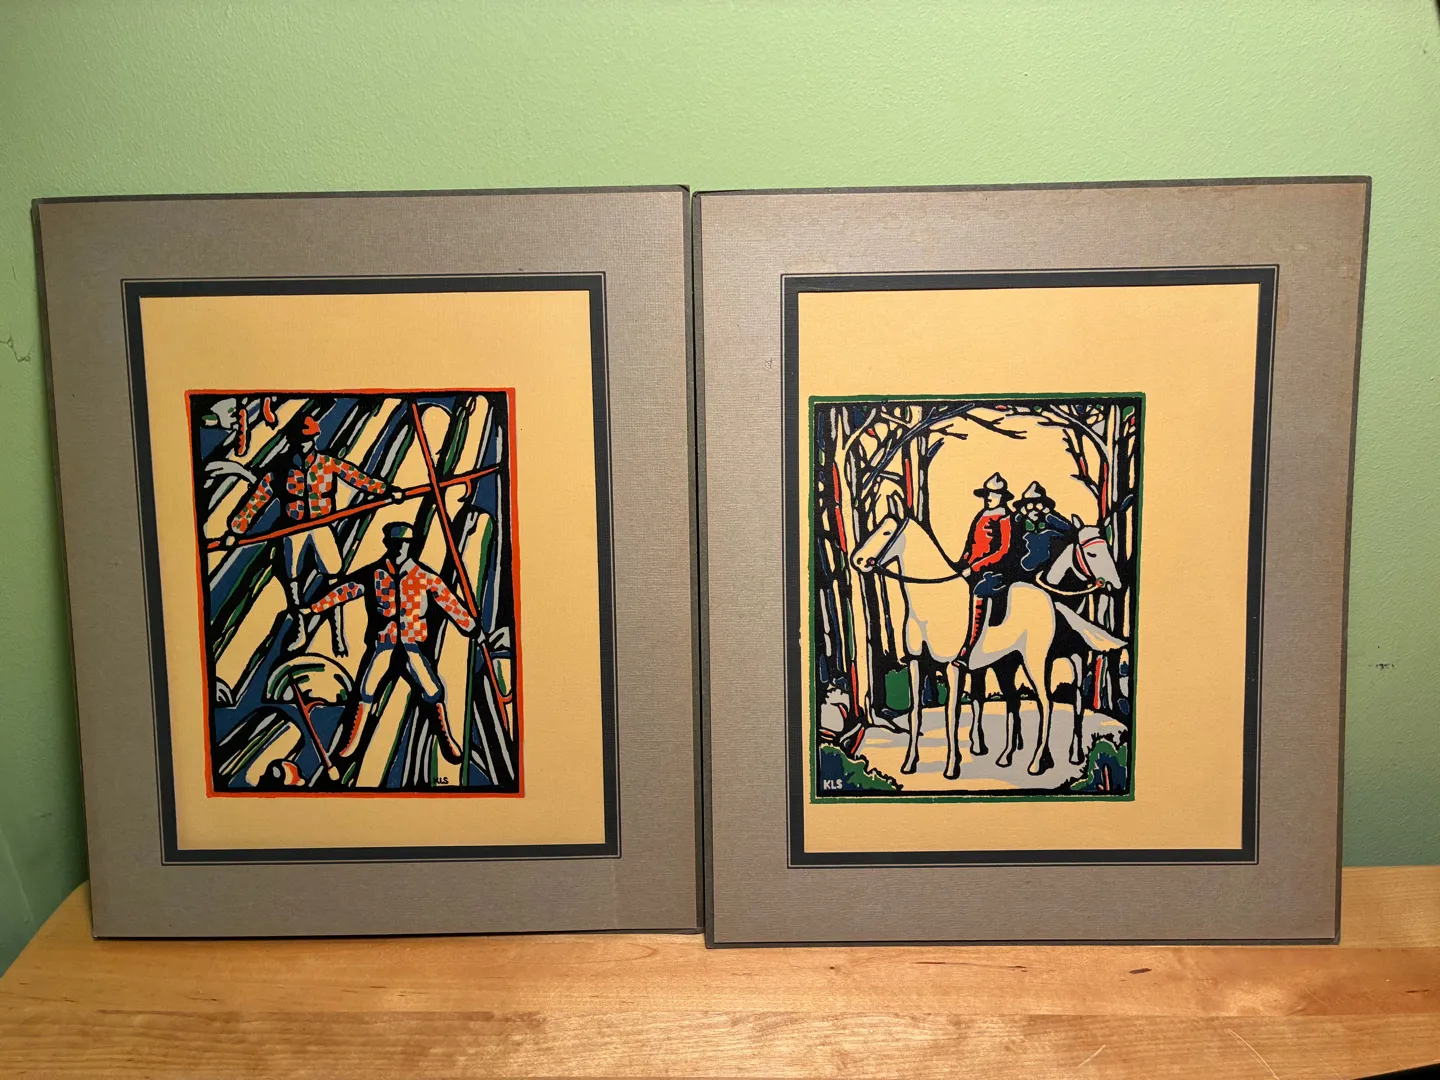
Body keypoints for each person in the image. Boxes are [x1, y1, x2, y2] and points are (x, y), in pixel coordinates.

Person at [223, 414, 403, 653]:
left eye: (307, 439)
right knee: (292, 581)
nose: (303, 444)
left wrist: (387, 490)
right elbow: (257, 499)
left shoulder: (328, 464)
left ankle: (337, 632)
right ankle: (300, 626)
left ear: (315, 438)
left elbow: (359, 479)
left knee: (334, 578)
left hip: (321, 527)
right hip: (293, 528)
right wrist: (235, 530)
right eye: (299, 439)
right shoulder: (280, 470)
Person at [303, 522, 477, 769]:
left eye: (405, 543)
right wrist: (314, 608)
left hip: (412, 644)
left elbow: (449, 601)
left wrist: (471, 627)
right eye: (396, 543)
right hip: (384, 643)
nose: (400, 548)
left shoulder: (424, 576)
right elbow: (344, 590)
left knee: (431, 688)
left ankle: (446, 738)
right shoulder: (374, 573)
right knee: (366, 688)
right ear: (387, 544)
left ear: (411, 545)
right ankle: (352, 742)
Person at [958, 472, 1015, 661]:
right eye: (987, 494)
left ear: (1002, 497)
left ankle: (971, 647)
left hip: (993, 571)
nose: (989, 498)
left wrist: (975, 567)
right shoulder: (982, 514)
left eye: (994, 494)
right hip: (971, 568)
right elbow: (971, 543)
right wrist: (963, 561)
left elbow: (1003, 550)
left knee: (980, 591)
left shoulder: (1005, 517)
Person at [1015, 481, 1077, 576]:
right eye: (1030, 504)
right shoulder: (1020, 520)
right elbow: (1012, 525)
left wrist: (1049, 515)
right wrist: (1020, 514)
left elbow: (1068, 529)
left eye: (1038, 504)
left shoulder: (1049, 518)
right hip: (1025, 557)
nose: (1034, 508)